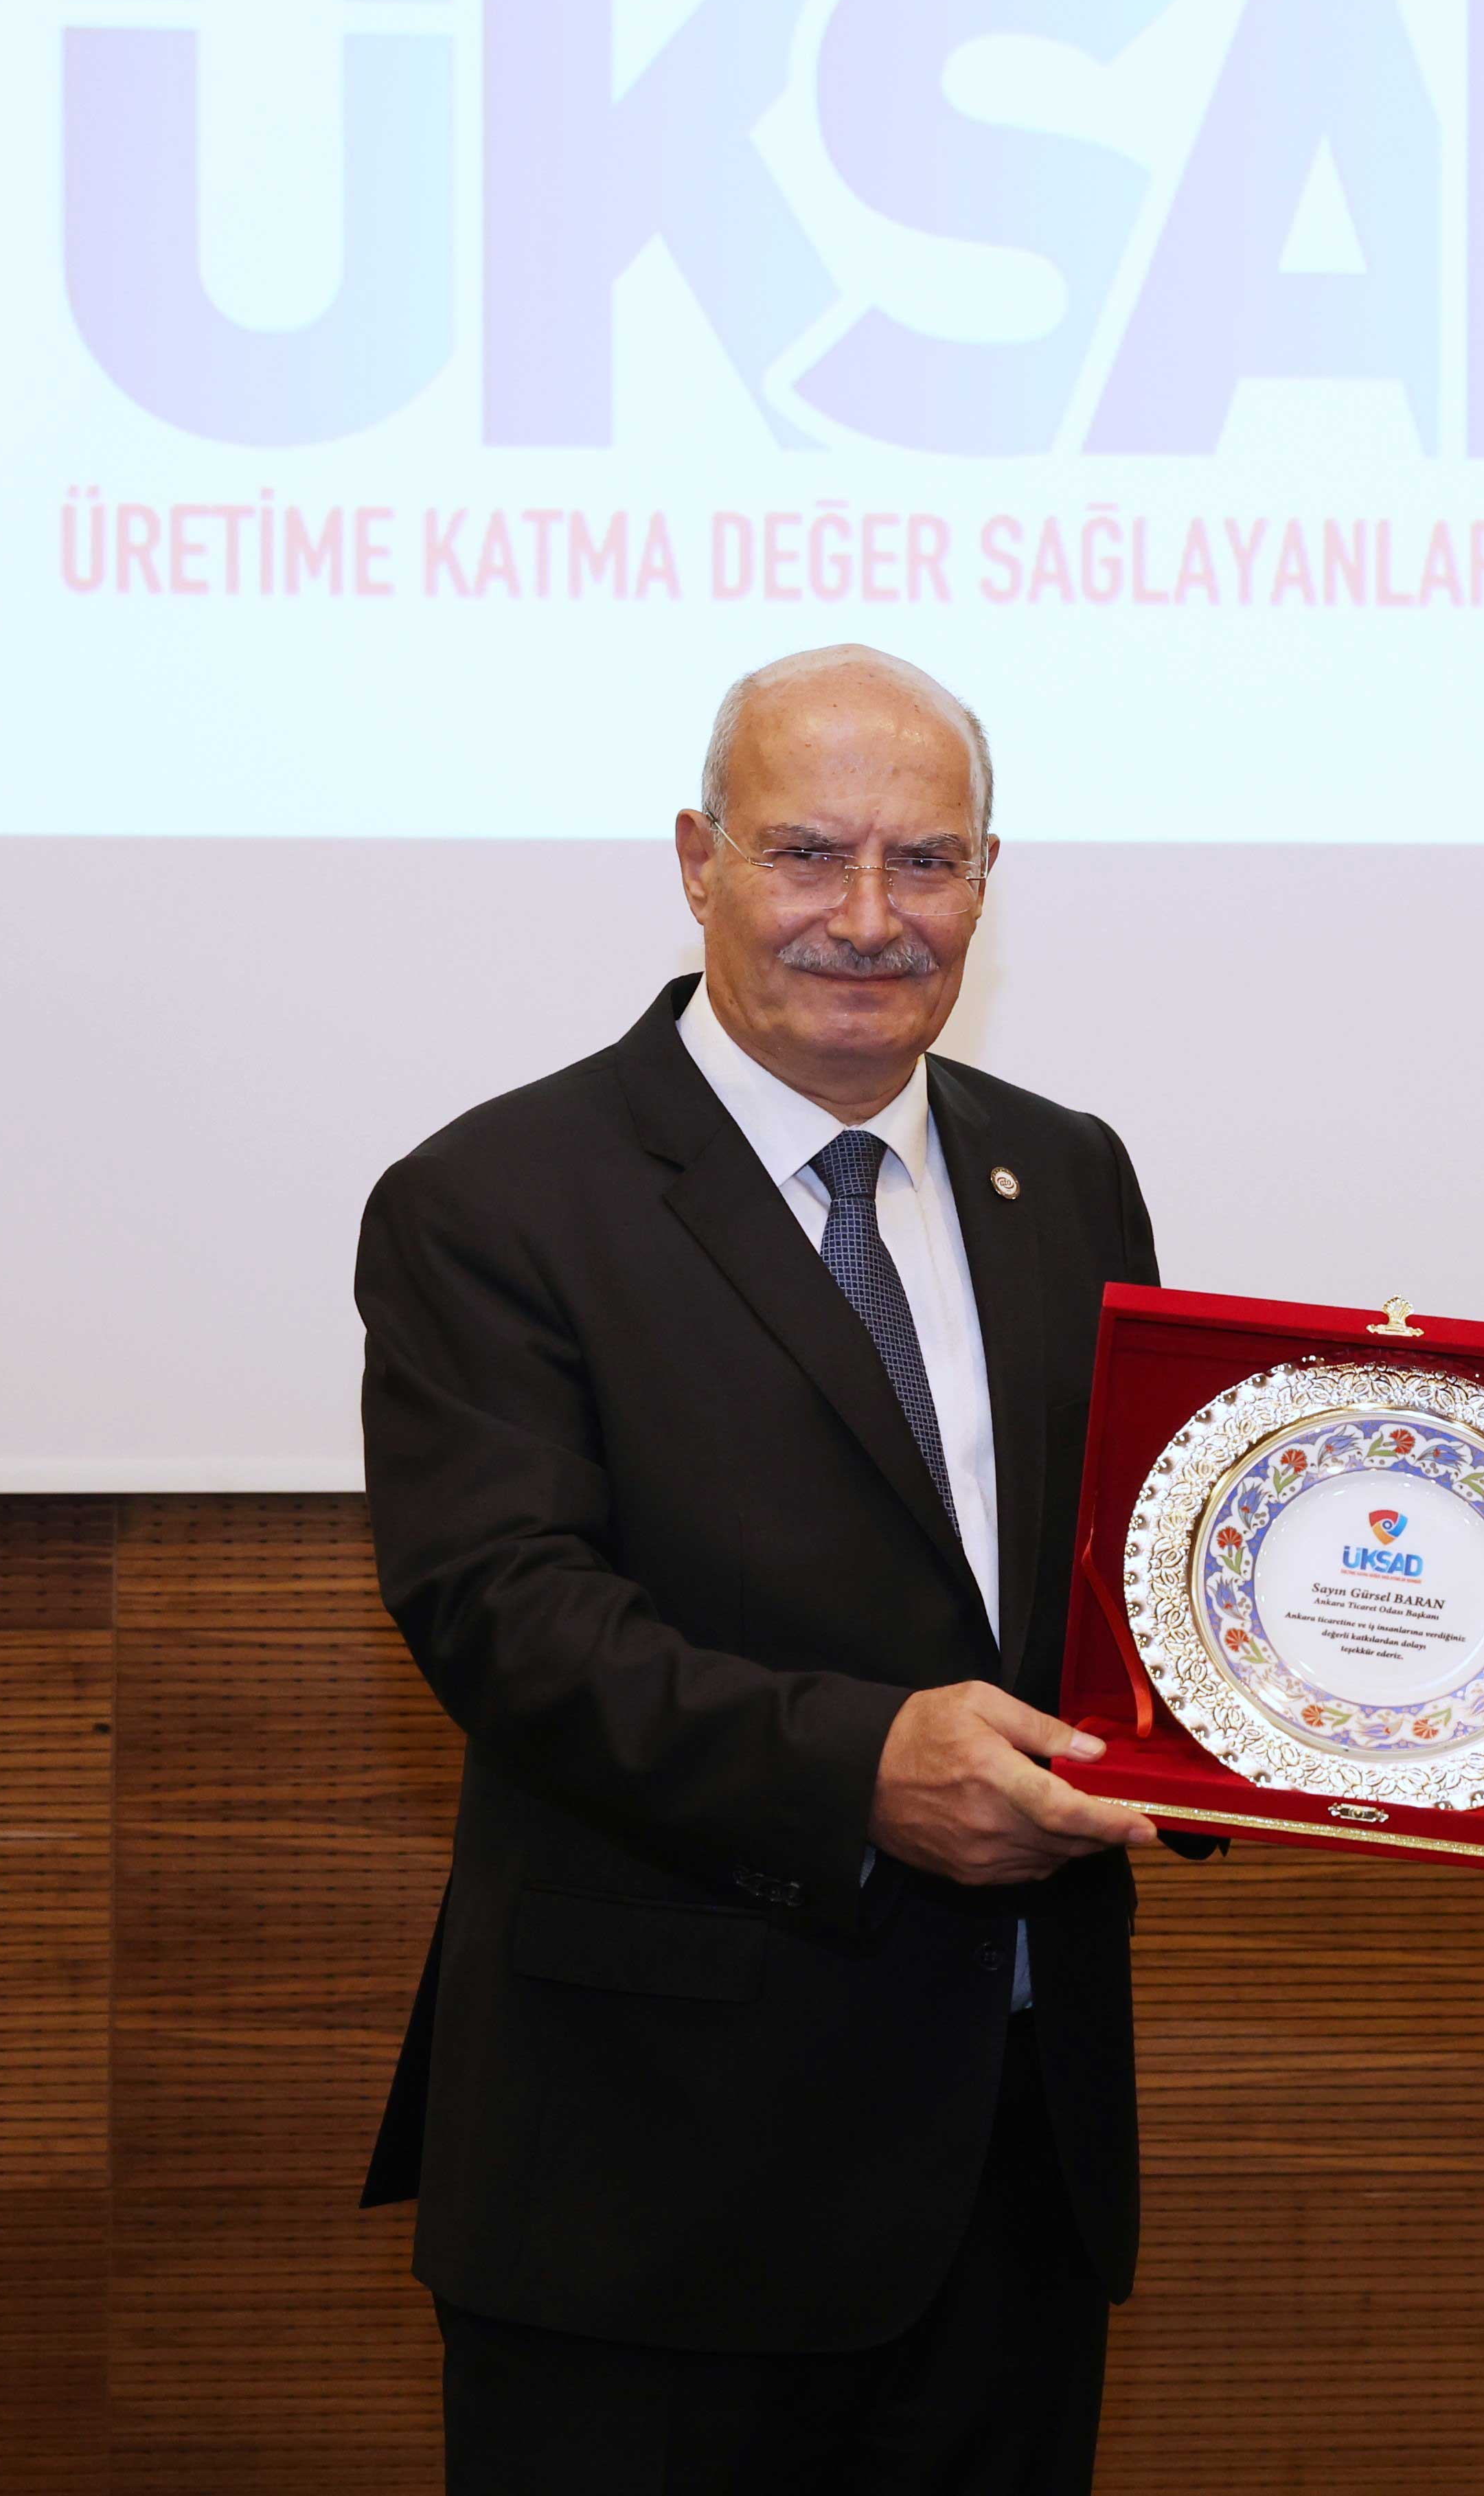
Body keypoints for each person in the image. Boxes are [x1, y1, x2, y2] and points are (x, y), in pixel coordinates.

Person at [356, 644, 1164, 2495]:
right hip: (653, 2186)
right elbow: (506, 1614)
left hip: (1011, 2169)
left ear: (987, 877)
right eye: (810, 853)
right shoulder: (497, 1198)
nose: (870, 918)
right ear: (696, 860)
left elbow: (1126, 1569)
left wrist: (1270, 1723)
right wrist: (860, 1766)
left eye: (929, 861)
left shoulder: (1068, 1174)